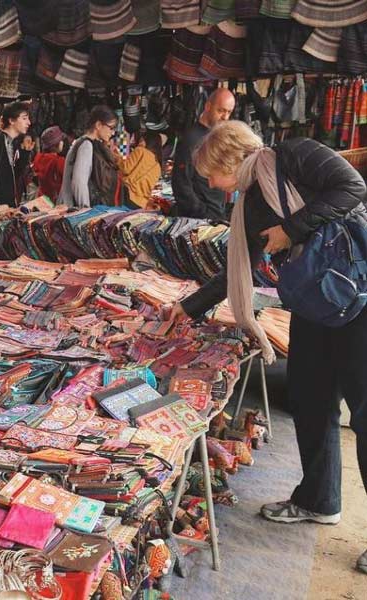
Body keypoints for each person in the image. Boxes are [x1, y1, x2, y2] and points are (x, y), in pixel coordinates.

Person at [166, 121, 367, 574]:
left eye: (212, 175)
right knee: (311, 401)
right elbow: (240, 267)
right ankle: (318, 499)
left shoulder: (294, 155)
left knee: (366, 413)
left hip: (360, 294)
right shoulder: (250, 203)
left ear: (229, 160)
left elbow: (352, 187)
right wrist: (188, 307)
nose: (212, 186)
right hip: (316, 303)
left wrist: (291, 230)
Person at [172, 88, 236, 220]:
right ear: (208, 106)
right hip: (200, 218)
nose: (225, 117)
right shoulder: (191, 139)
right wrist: (202, 212)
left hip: (216, 214)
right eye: (221, 110)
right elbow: (181, 184)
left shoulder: (217, 135)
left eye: (229, 112)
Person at [58, 105, 126, 207]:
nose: (112, 133)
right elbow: (79, 182)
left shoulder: (83, 142)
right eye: (111, 128)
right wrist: (85, 209)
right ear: (98, 125)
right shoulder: (86, 146)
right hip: (75, 210)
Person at [117, 131, 164, 209]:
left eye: (141, 140)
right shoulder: (158, 166)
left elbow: (125, 168)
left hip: (128, 195)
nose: (139, 143)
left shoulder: (140, 151)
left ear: (148, 142)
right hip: (141, 203)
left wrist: (117, 158)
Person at [32, 126, 66, 200]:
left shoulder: (38, 158)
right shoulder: (59, 161)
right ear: (55, 144)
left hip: (41, 199)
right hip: (56, 200)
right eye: (61, 140)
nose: (62, 142)